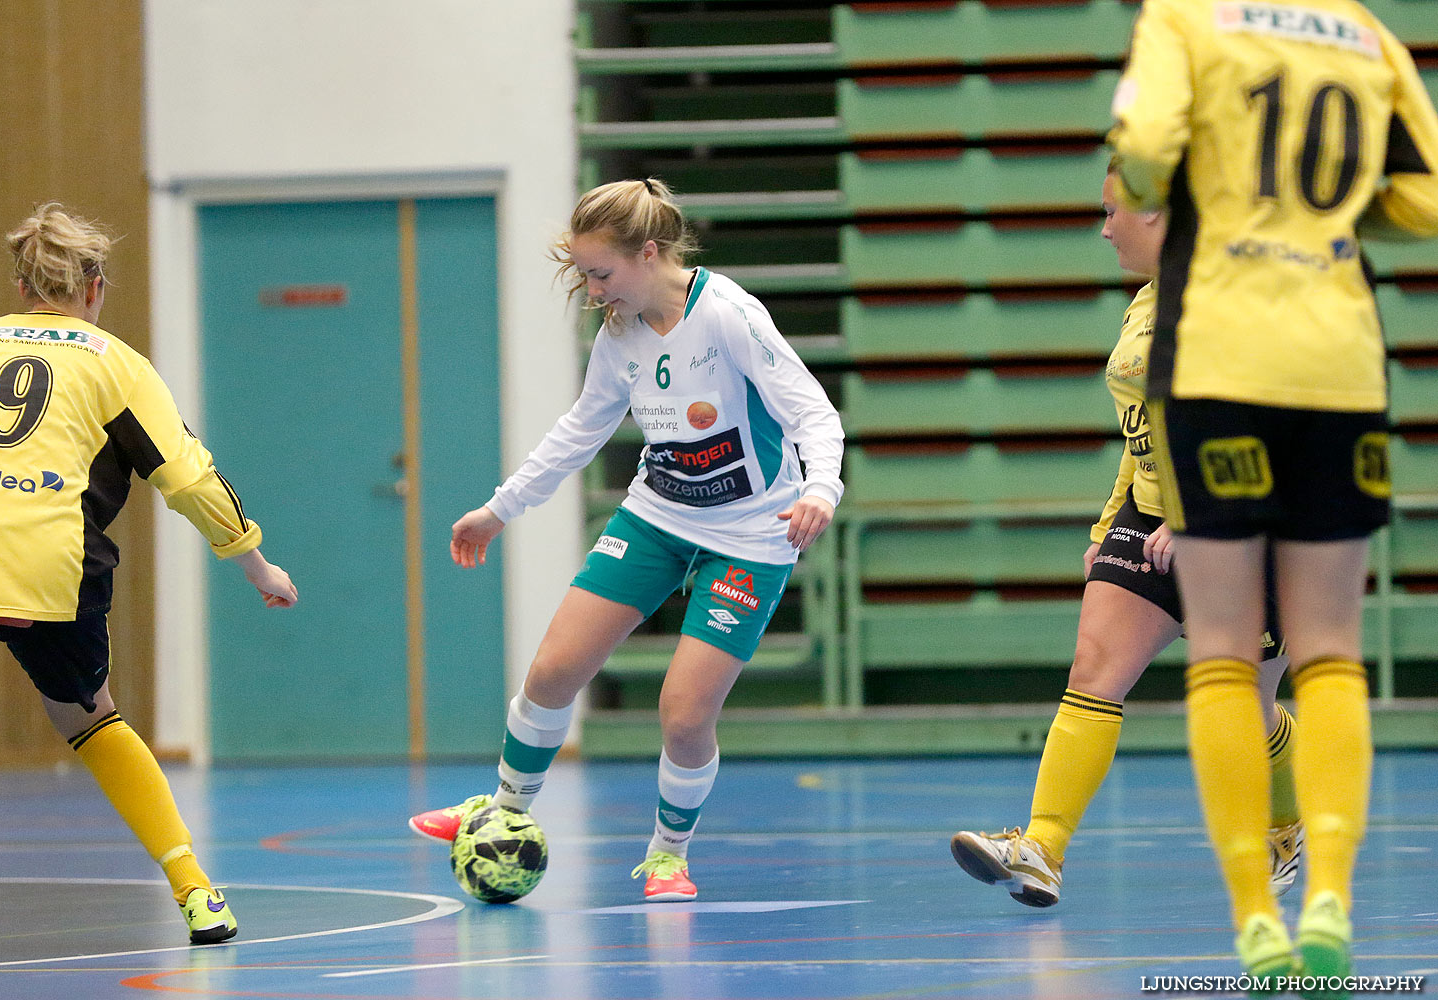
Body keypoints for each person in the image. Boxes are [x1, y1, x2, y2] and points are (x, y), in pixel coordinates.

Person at [1110, 0, 1438, 988]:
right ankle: (1331, 890)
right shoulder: (1365, 29)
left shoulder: (1184, 19)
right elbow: (1422, 202)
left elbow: (1145, 155)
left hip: (1217, 354)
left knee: (1220, 657)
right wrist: (1328, 219)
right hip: (1339, 360)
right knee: (1331, 652)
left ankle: (1258, 917)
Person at [408, 178, 844, 901]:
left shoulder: (729, 315)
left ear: (648, 253)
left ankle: (668, 855)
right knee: (552, 673)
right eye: (581, 274)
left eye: (600, 273)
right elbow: (581, 428)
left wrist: (820, 488)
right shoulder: (618, 333)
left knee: (684, 712)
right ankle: (503, 809)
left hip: (750, 537)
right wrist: (500, 509)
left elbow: (812, 413)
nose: (591, 289)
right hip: (656, 518)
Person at [0, 204, 299, 943]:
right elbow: (190, 480)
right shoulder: (115, 363)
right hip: (51, 569)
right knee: (90, 718)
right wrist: (257, 565)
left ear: (21, 286)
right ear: (95, 287)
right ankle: (196, 893)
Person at [949, 162, 1301, 909]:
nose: (1104, 228)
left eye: (1113, 212)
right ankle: (1041, 847)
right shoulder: (1145, 303)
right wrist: (1113, 521)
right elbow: (1141, 429)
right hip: (1151, 518)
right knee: (1093, 667)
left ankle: (1286, 820)